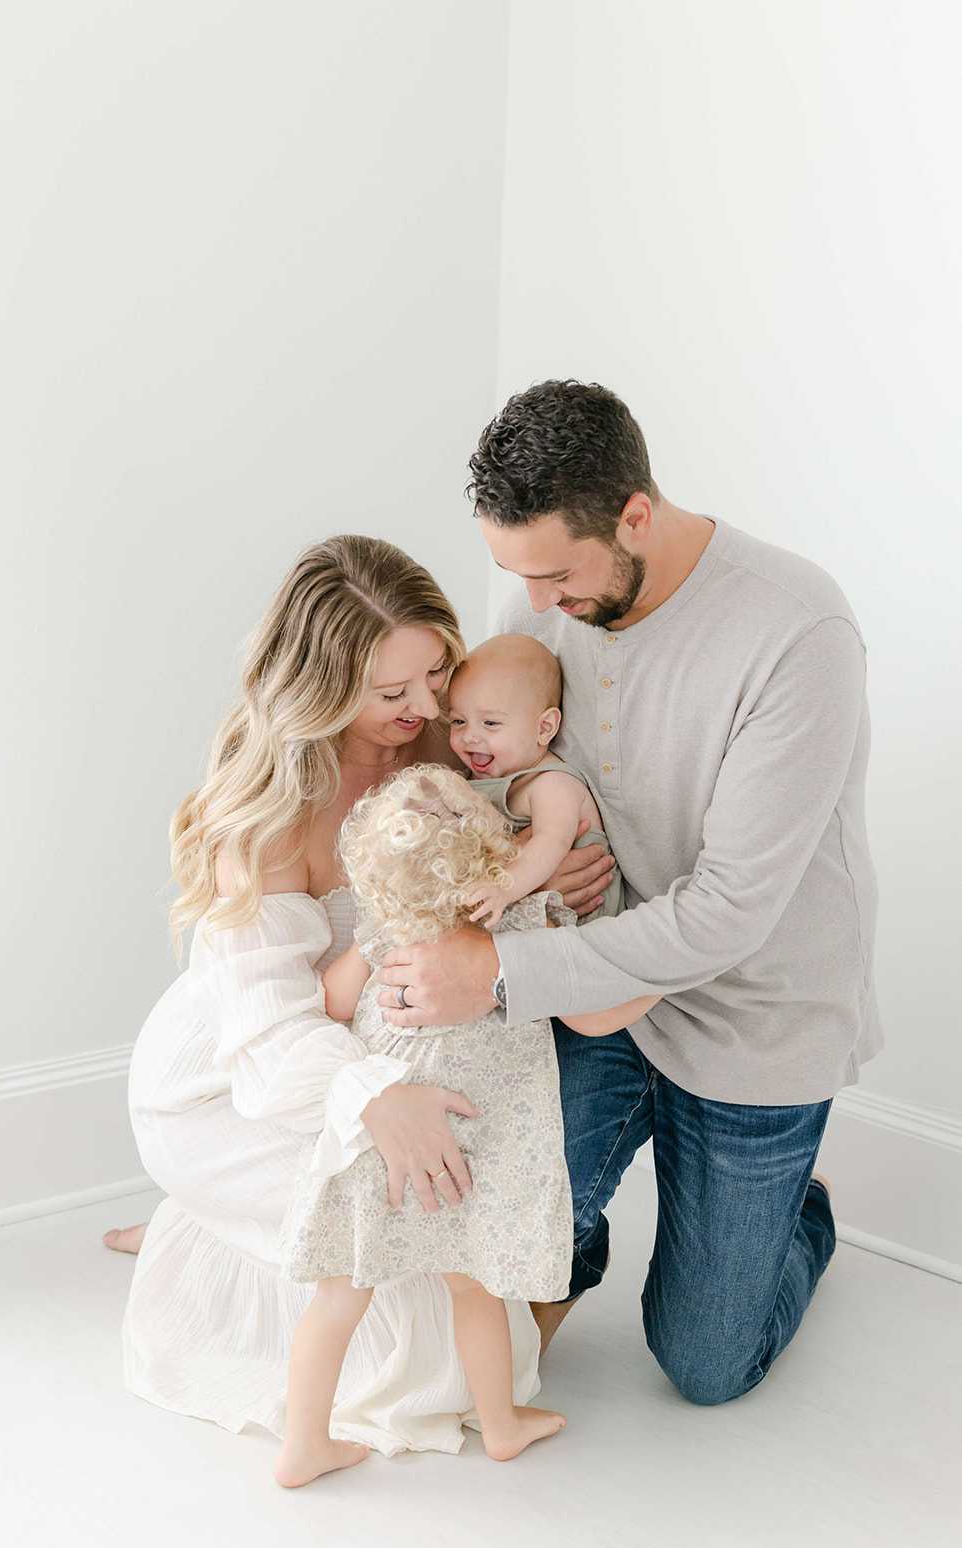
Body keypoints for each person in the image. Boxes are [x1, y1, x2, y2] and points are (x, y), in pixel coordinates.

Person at [376, 379, 881, 1406]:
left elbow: (730, 909)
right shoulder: (551, 604)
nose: (531, 605)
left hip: (748, 1011)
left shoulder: (795, 631)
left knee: (703, 1366)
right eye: (514, 574)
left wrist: (498, 971)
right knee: (501, 1228)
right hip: (595, 989)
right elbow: (501, 766)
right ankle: (583, 1231)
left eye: (554, 574)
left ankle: (802, 1208)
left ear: (634, 516)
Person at [119, 535, 590, 1456]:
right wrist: (376, 1101)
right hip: (244, 1073)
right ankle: (205, 1209)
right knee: (419, 1294)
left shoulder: (459, 755)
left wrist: (539, 889)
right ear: (323, 692)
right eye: (391, 695)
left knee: (449, 1274)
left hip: (384, 1039)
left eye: (437, 674)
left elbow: (476, 907)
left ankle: (219, 1226)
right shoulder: (264, 820)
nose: (427, 712)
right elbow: (272, 1033)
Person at [276, 765, 577, 1486]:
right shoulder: (525, 927)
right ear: (488, 852)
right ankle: (499, 1424)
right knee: (475, 1289)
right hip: (473, 1153)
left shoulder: (381, 935)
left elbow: (330, 1005)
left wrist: (369, 949)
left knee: (337, 1297)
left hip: (384, 1146)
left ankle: (302, 1444)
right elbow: (587, 1003)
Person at [446, 633, 624, 927]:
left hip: (582, 932)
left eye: (491, 723)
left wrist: (504, 887)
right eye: (458, 721)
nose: (470, 736)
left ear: (544, 728)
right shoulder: (476, 777)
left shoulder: (552, 783)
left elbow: (551, 841)